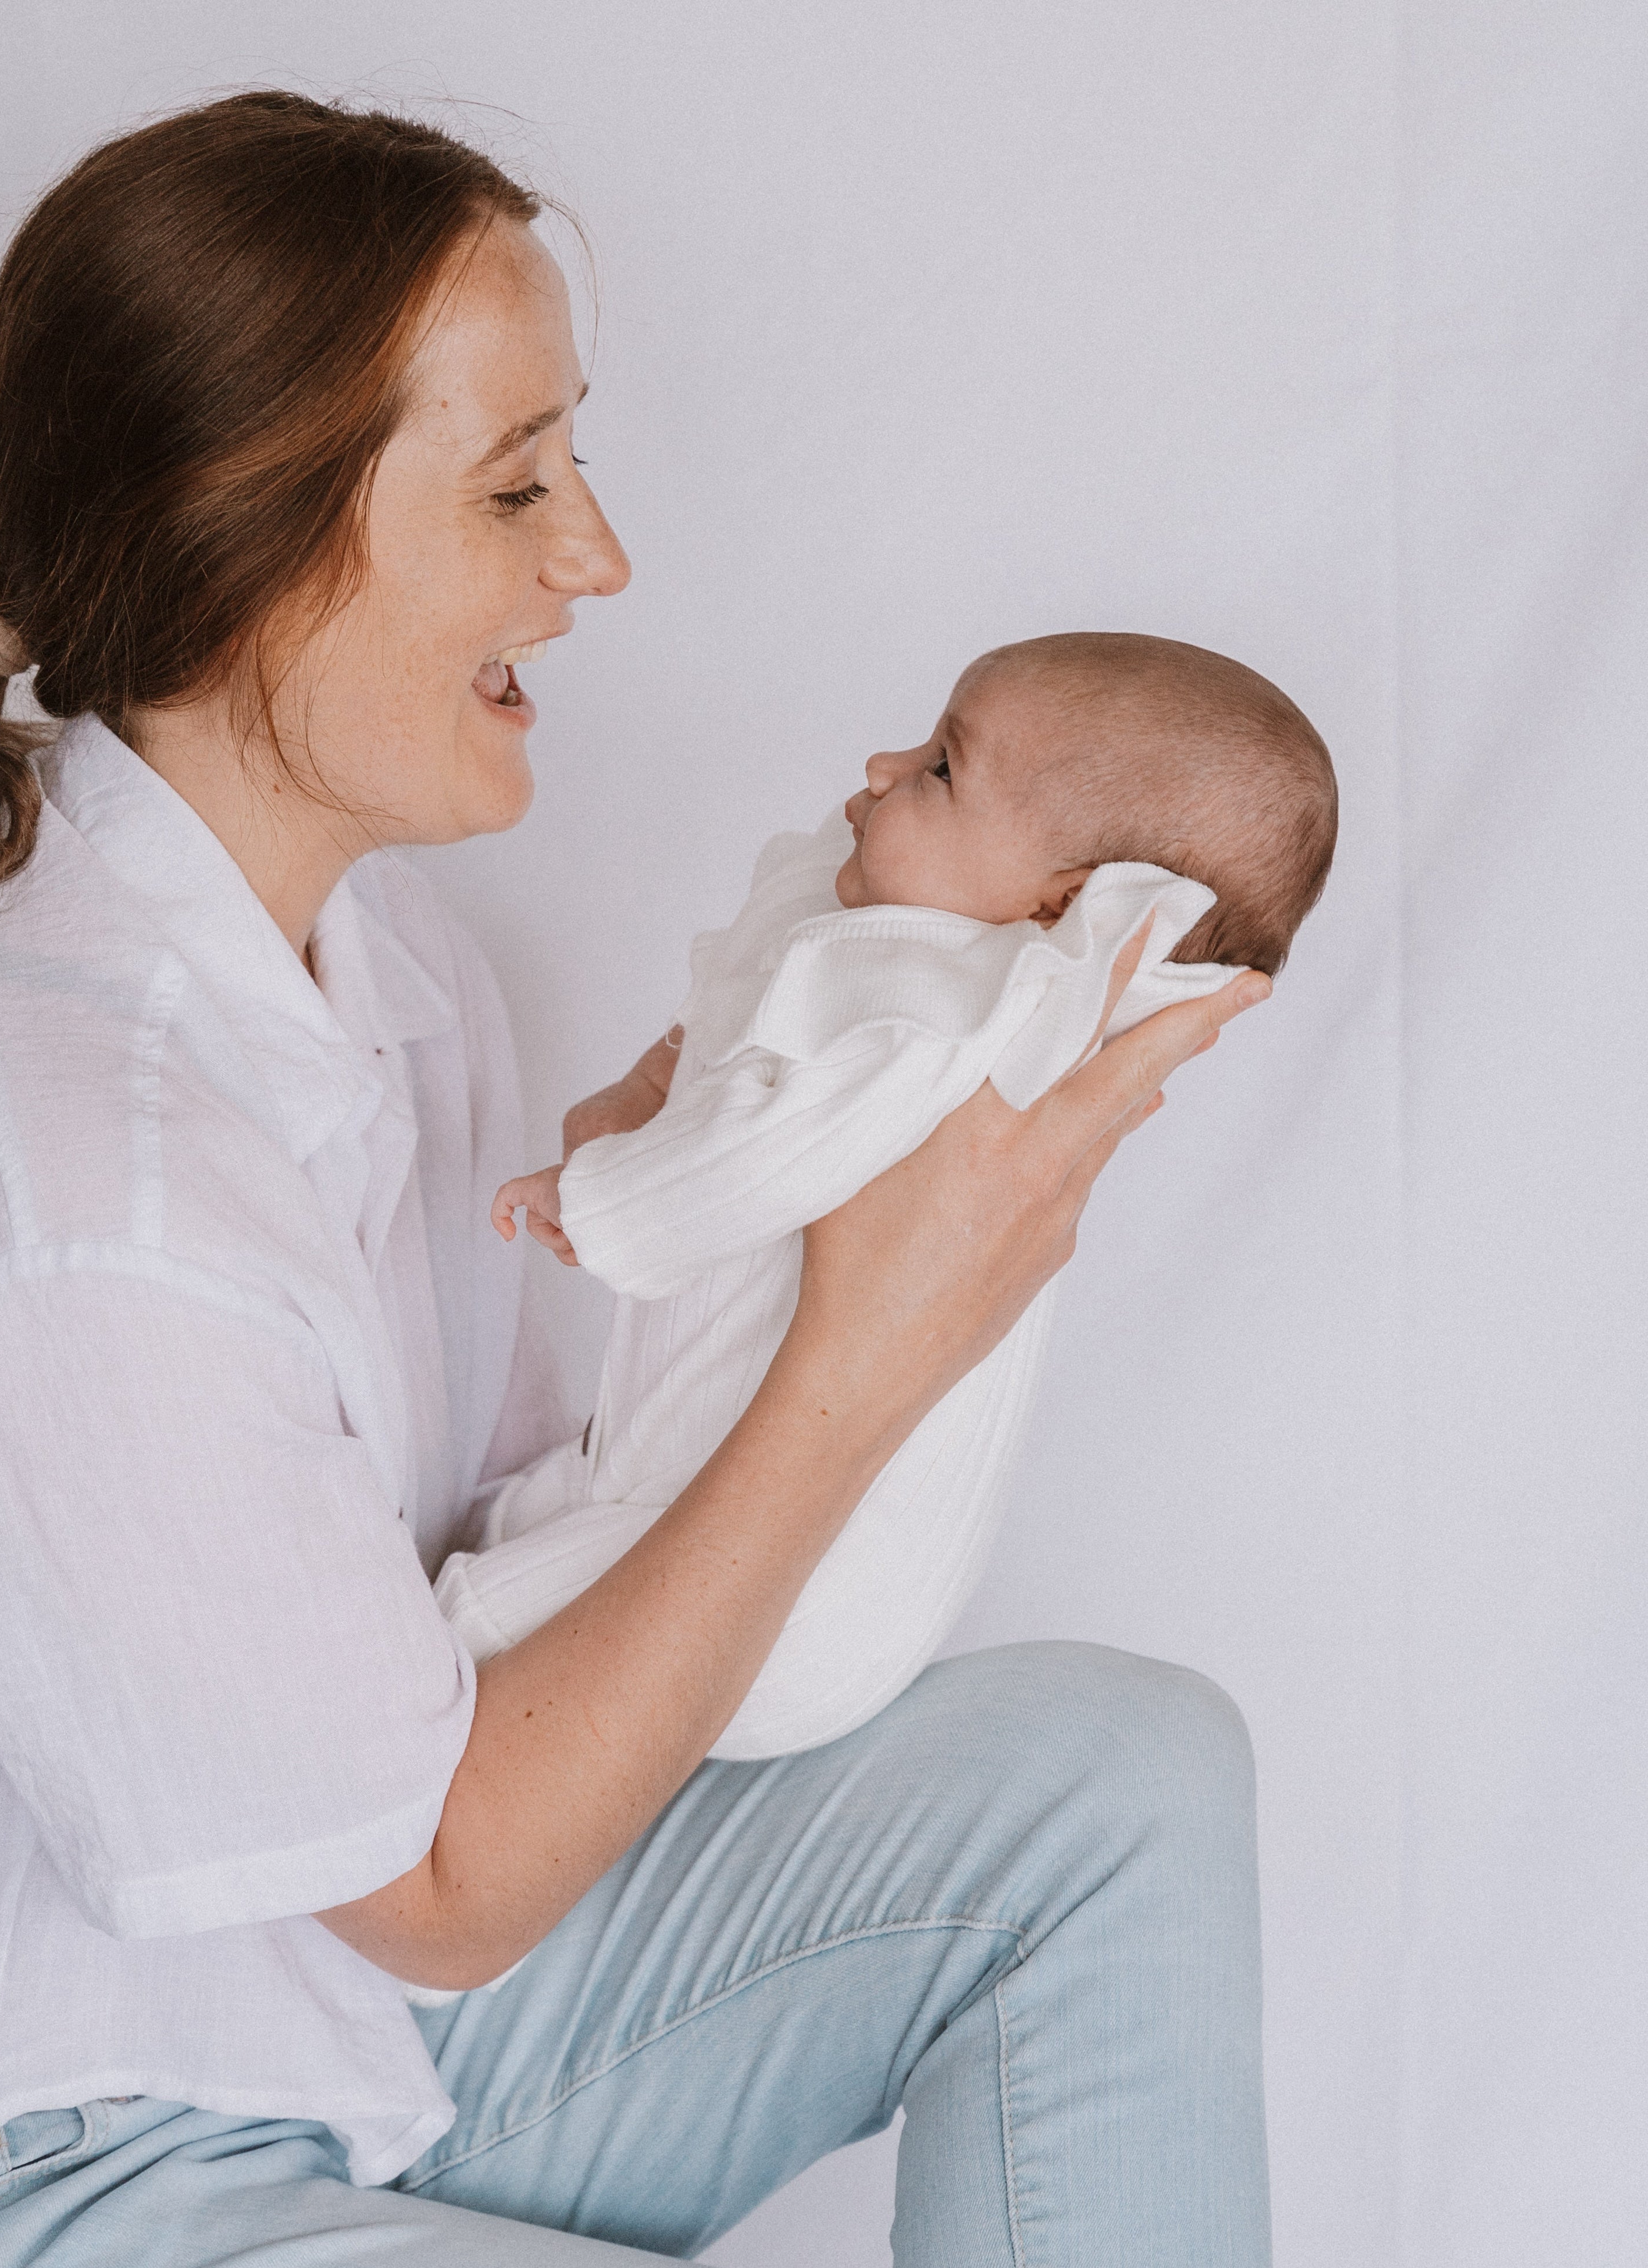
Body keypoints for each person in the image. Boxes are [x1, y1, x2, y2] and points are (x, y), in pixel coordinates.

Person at [0, 91, 1275, 2268]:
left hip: (298, 2039)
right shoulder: (67, 1181)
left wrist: (800, 1182)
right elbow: (449, 1883)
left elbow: (493, 1645)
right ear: (244, 540)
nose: (597, 556)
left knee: (1119, 1788)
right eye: (516, 482)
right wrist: (867, 1352)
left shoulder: (392, 981)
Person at [451, 633, 1334, 1760]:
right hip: (674, 1503)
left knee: (459, 1632)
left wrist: (597, 1199)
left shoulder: (936, 1022)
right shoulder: (920, 969)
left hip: (791, 1596)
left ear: (1067, 904)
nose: (880, 764)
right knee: (506, 1541)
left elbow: (757, 1158)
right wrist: (651, 1081)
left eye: (942, 769)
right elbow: (745, 1027)